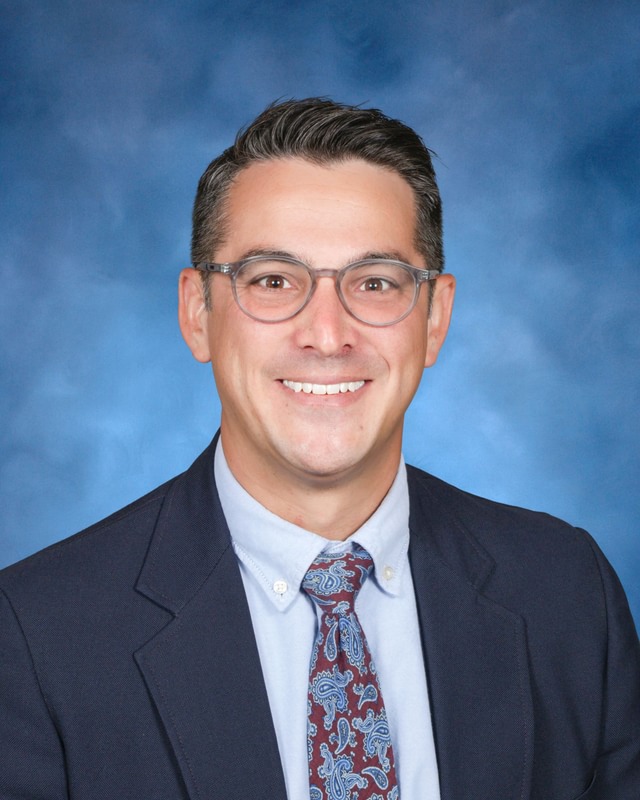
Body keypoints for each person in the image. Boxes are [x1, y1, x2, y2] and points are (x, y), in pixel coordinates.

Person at [0, 98, 638, 800]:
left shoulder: (568, 595)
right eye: (273, 281)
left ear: (435, 319)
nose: (327, 334)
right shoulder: (36, 637)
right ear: (197, 313)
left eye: (375, 282)